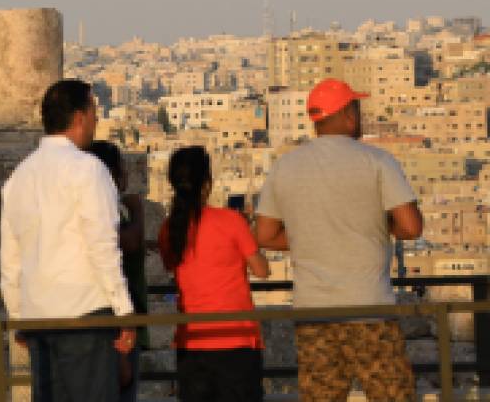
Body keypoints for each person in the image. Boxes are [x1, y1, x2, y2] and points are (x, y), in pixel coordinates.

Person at [254, 78, 421, 402]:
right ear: (348, 114)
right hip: (370, 310)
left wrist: (311, 236)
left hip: (314, 314)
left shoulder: (285, 166)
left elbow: (265, 235)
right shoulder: (377, 161)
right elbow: (411, 227)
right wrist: (377, 225)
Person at [0, 80, 135, 402]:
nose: (96, 120)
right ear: (79, 117)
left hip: (39, 318)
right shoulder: (88, 170)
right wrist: (125, 313)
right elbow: (102, 245)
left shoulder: (19, 177)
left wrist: (17, 316)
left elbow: (10, 258)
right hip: (84, 313)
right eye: (93, 111)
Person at [158, 145, 268, 402]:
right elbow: (262, 270)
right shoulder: (231, 221)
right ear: (207, 184)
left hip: (192, 344)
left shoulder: (169, 229)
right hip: (236, 342)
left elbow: (170, 265)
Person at [89, 141, 151, 402]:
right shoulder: (105, 209)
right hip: (118, 326)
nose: (126, 176)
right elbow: (127, 241)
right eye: (121, 170)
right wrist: (137, 212)